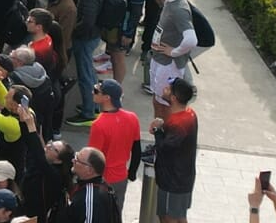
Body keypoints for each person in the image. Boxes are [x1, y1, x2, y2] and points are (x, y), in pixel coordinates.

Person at [149, 0, 196, 119]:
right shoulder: (170, 2)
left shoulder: (179, 9)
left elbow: (191, 39)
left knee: (165, 104)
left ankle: (165, 132)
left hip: (168, 66)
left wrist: (174, 52)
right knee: (158, 101)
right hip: (160, 60)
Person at [86, 79, 141, 210]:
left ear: (107, 98)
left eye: (96, 91)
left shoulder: (98, 125)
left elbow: (92, 159)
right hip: (121, 177)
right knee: (116, 214)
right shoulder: (132, 118)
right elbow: (137, 150)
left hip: (102, 181)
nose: (92, 92)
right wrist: (132, 173)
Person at [150, 77, 198, 223]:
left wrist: (157, 131)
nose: (164, 88)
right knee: (180, 216)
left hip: (173, 182)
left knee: (168, 217)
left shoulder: (179, 123)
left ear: (173, 98)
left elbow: (164, 148)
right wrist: (162, 127)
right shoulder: (190, 114)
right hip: (184, 178)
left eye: (168, 89)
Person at [65, 147, 120, 223]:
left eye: (77, 160)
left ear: (89, 170)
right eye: (76, 155)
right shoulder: (99, 185)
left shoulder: (90, 199)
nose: (73, 160)